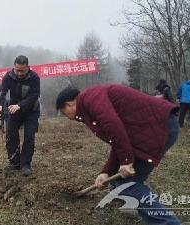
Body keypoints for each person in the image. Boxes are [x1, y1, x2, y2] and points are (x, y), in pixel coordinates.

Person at [55, 85, 181, 225]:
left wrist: (126, 161)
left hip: (159, 128)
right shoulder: (89, 103)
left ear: (69, 104)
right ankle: (137, 205)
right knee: (119, 181)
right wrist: (106, 172)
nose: (65, 116)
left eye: (63, 111)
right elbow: (117, 139)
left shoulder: (90, 99)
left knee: (127, 184)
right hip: (152, 129)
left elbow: (113, 126)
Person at [0, 55, 40, 177]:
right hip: (14, 110)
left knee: (29, 136)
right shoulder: (8, 76)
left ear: (28, 68)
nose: (19, 73)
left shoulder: (34, 77)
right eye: (17, 70)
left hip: (31, 110)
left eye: (23, 71)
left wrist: (20, 105)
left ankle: (25, 164)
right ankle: (14, 163)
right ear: (14, 67)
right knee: (11, 134)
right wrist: (0, 105)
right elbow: (2, 92)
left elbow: (34, 96)